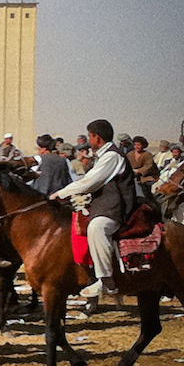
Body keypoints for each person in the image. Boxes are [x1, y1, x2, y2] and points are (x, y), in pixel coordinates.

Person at [51, 119, 135, 297]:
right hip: (102, 205)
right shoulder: (102, 155)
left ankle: (106, 281)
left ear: (97, 136)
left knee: (97, 228)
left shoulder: (113, 156)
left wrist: (62, 193)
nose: (89, 139)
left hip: (115, 208)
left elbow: (91, 181)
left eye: (90, 135)